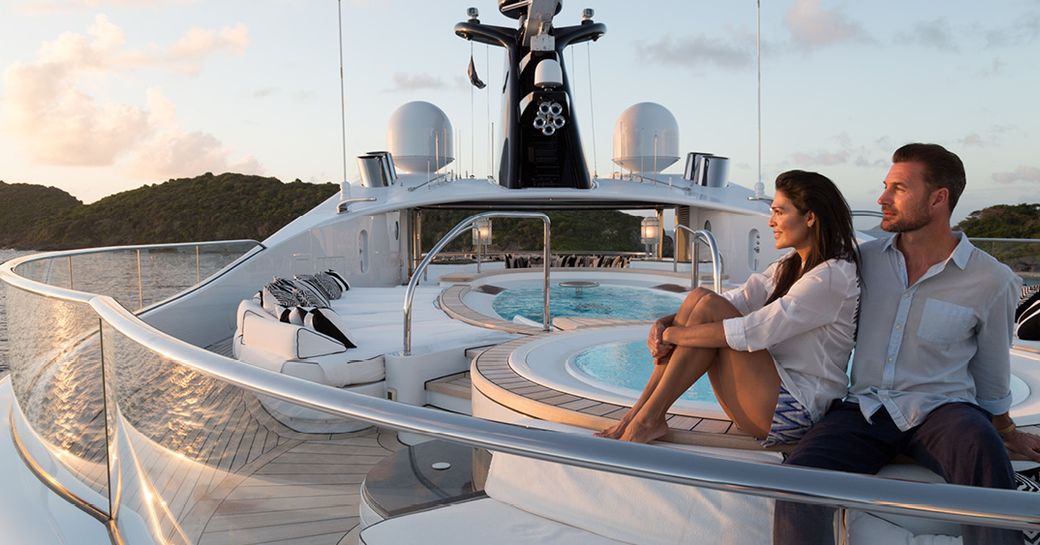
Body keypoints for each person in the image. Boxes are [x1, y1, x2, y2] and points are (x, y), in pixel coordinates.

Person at [773, 143, 1040, 545]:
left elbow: (991, 374)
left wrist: (1005, 428)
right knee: (796, 481)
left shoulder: (993, 279)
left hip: (944, 412)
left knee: (983, 450)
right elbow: (784, 293)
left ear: (938, 198)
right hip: (864, 409)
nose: (881, 198)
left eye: (898, 188)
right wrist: (695, 319)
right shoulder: (860, 261)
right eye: (885, 186)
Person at [597, 170, 860, 445]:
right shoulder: (790, 265)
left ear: (810, 217)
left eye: (780, 212)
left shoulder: (832, 276)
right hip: (765, 399)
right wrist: (666, 322)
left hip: (797, 413)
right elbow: (738, 300)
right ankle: (639, 416)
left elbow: (754, 331)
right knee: (699, 298)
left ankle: (646, 419)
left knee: (707, 305)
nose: (771, 222)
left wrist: (673, 335)